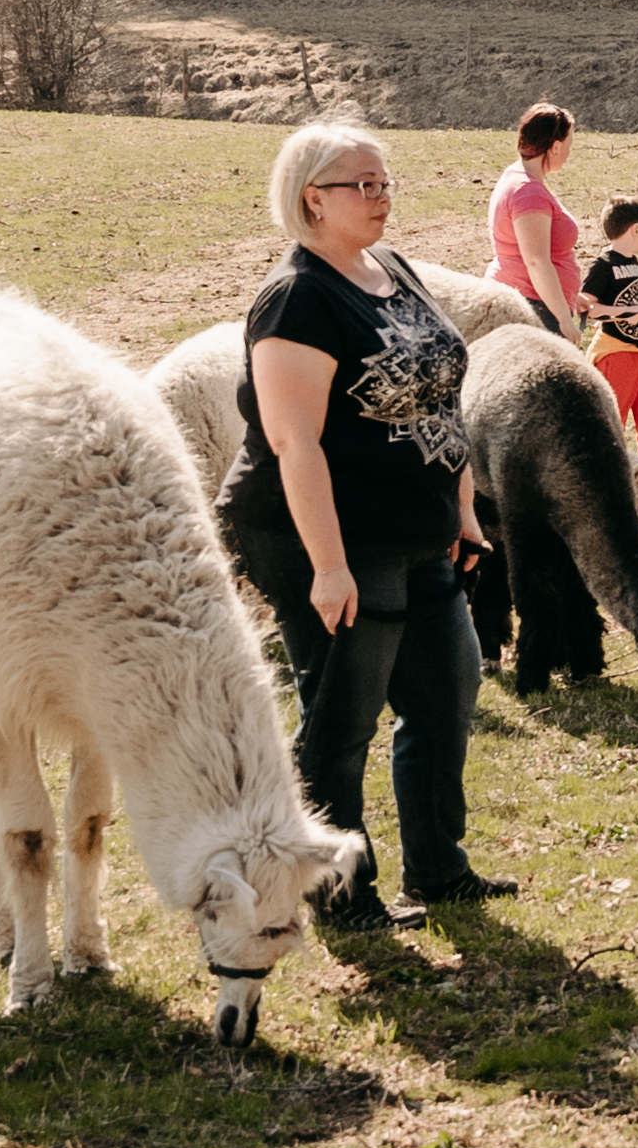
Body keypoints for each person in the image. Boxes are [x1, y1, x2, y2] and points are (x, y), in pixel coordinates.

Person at [212, 117, 501, 922]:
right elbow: (291, 439)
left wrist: (463, 506)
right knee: (342, 717)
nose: (379, 197)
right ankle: (339, 890)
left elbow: (441, 395)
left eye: (384, 183)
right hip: (329, 534)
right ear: (313, 199)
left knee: (446, 692)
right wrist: (329, 565)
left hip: (418, 527)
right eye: (360, 185)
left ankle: (438, 869)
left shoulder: (390, 269)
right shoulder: (297, 298)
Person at [489, 105, 586, 334]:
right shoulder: (528, 192)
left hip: (535, 302)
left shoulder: (517, 178)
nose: (569, 153)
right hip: (533, 309)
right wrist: (563, 318)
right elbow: (536, 261)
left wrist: (571, 297)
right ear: (555, 146)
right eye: (569, 145)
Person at [581, 196, 638, 458]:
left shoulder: (634, 263)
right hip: (616, 353)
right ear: (636, 229)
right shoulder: (604, 264)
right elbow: (585, 306)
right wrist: (623, 313)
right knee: (613, 423)